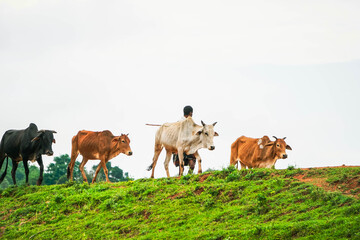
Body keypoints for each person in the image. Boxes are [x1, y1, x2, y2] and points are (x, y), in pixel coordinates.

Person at [173, 105, 197, 174]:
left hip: (189, 146)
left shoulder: (190, 122)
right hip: (181, 146)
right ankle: (181, 178)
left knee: (192, 165)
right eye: (192, 113)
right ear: (190, 113)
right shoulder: (179, 122)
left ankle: (189, 177)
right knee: (181, 166)